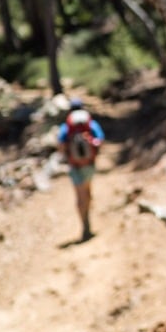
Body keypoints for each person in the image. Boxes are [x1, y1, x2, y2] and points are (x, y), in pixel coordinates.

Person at [57, 98, 105, 242]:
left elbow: (60, 145)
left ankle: (84, 224)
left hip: (74, 165)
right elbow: (100, 140)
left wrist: (67, 155)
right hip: (89, 164)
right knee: (88, 191)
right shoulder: (90, 123)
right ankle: (88, 216)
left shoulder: (67, 126)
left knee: (79, 196)